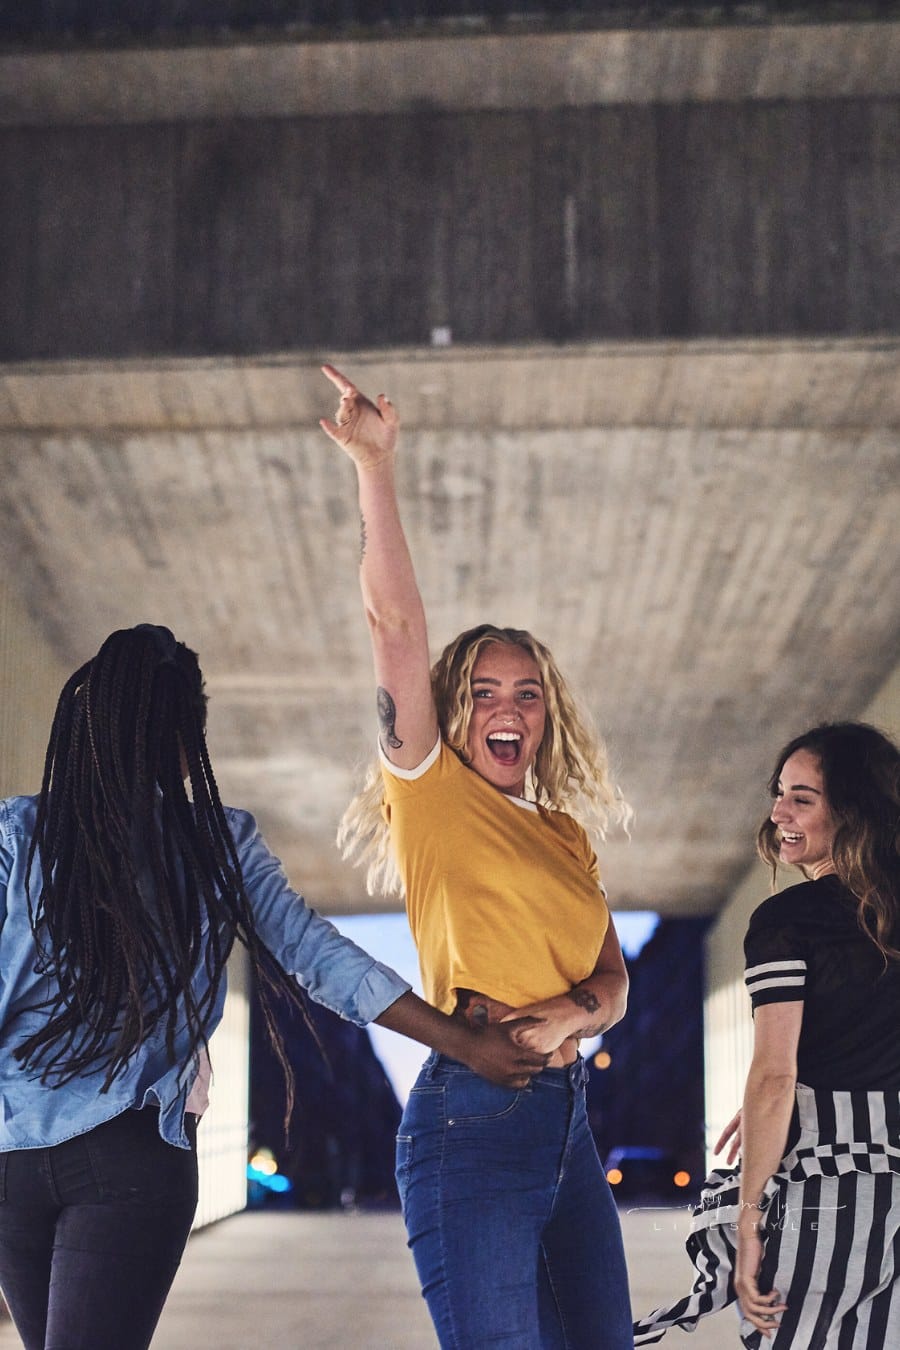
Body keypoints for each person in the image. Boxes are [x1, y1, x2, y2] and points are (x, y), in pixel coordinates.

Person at [0, 623, 546, 1350]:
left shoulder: (17, 834)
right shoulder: (208, 843)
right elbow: (314, 956)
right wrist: (460, 1040)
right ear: (185, 734)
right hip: (124, 1158)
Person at [319, 364, 634, 1349]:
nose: (510, 708)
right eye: (489, 690)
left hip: (569, 1124)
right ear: (457, 706)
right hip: (476, 1124)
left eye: (529, 692)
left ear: (549, 714)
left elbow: (615, 978)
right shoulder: (433, 792)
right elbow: (397, 628)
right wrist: (377, 467)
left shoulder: (563, 833)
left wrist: (570, 1014)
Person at [634, 721, 900, 1348]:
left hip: (834, 1191)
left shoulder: (788, 920)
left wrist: (749, 1222)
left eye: (801, 798)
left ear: (853, 811)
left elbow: (775, 1073)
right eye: (779, 792)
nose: (778, 811)